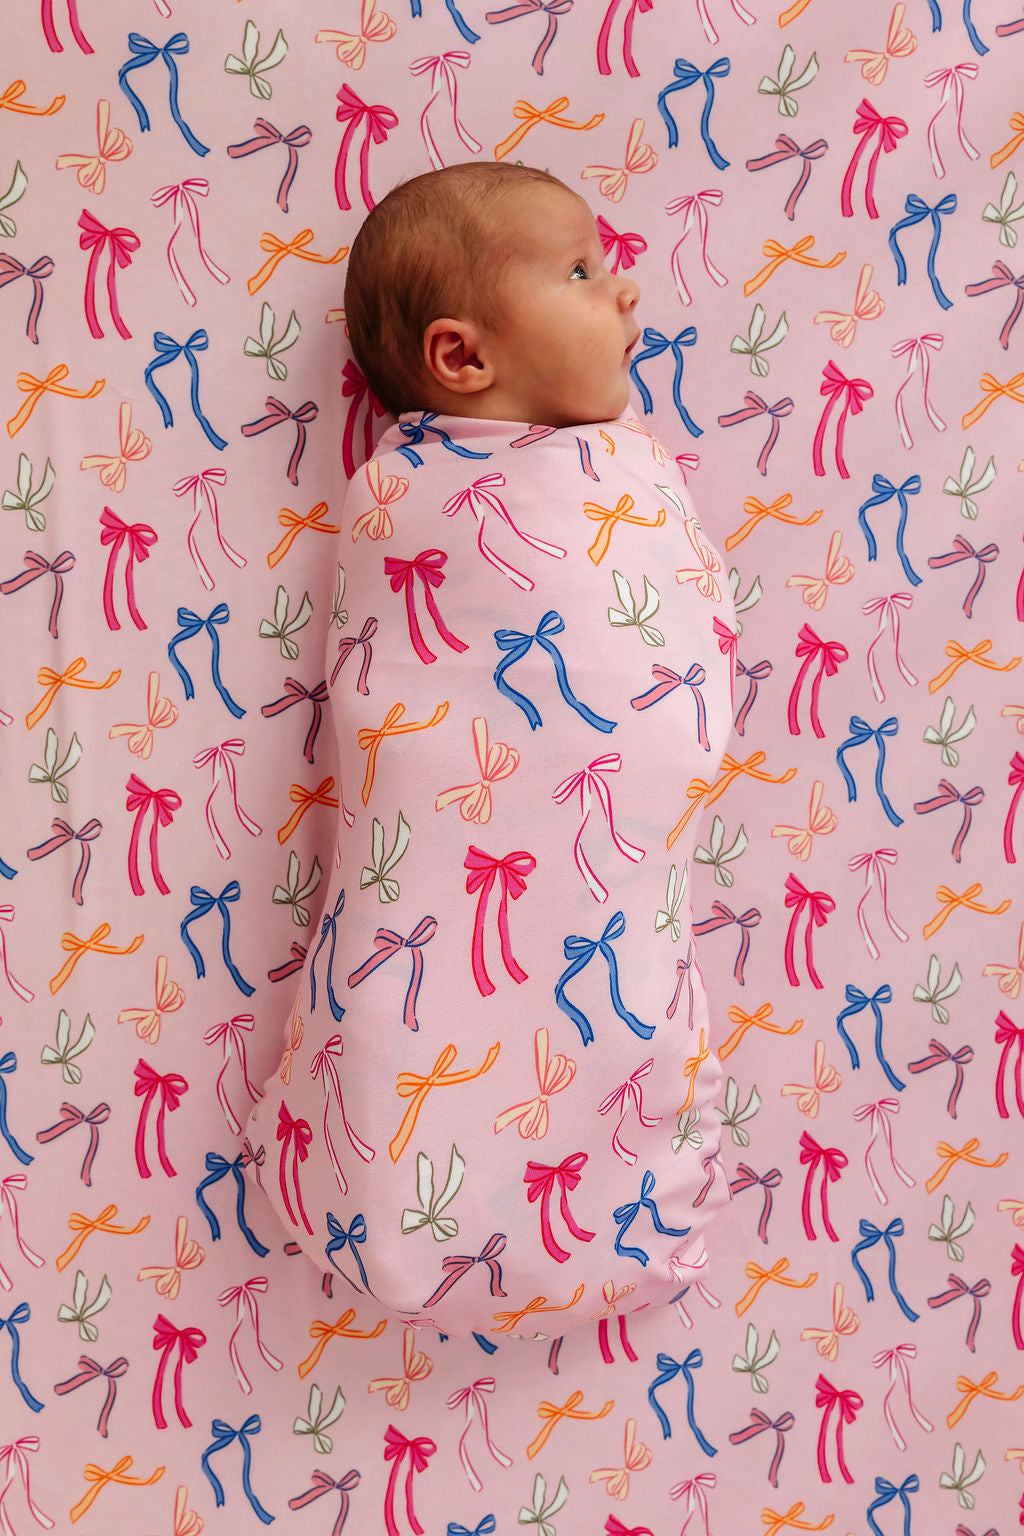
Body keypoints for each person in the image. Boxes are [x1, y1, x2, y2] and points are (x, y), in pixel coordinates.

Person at [247, 162, 738, 1341]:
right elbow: (410, 704)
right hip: (455, 849)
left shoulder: (619, 469)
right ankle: (379, 1180)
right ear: (461, 357)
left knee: (622, 1011)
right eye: (578, 270)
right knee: (408, 1007)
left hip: (613, 869)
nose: (623, 291)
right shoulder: (409, 499)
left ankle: (623, 1192)